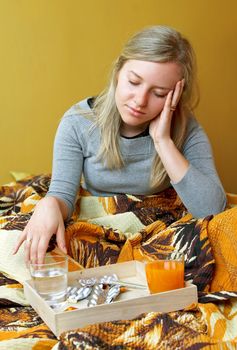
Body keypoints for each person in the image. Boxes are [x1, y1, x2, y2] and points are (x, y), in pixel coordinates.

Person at [13, 25, 226, 264]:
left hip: (159, 230)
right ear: (118, 73)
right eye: (134, 82)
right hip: (97, 226)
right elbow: (63, 195)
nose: (140, 100)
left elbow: (212, 209)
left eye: (159, 93)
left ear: (176, 95)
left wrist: (162, 141)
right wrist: (50, 204)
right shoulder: (78, 123)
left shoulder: (186, 129)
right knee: (26, 243)